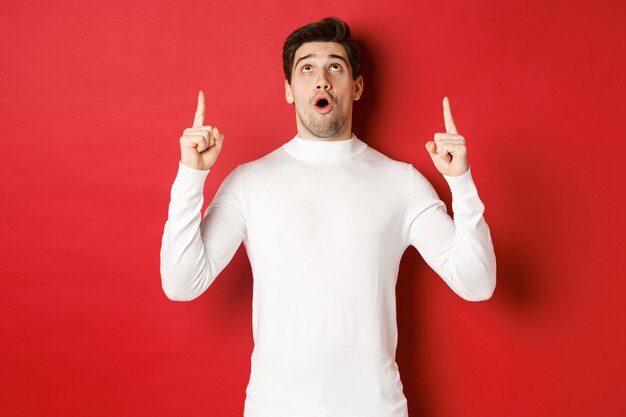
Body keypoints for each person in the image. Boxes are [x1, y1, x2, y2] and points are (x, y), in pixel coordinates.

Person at [160, 16, 496, 417]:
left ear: (355, 87)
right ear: (289, 90)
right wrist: (190, 175)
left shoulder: (400, 183)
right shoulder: (249, 183)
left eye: (335, 66)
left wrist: (461, 183)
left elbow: (477, 284)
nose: (321, 79)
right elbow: (181, 283)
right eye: (307, 68)